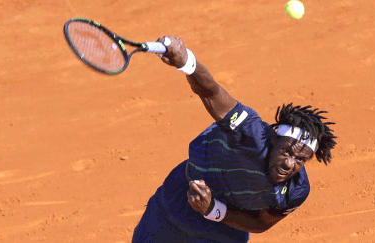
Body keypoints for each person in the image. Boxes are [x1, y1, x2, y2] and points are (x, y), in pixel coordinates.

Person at [131, 36, 337, 243]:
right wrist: (186, 62)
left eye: (300, 160)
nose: (289, 163)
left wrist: (214, 210)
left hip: (224, 231)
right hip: (176, 203)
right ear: (274, 140)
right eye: (287, 151)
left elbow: (261, 222)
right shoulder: (251, 132)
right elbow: (211, 93)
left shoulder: (296, 190)